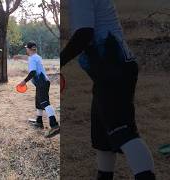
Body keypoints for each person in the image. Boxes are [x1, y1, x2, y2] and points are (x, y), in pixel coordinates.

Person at [60, 0, 156, 179]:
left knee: (123, 132)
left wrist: (59, 61)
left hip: (113, 68)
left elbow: (84, 34)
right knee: (103, 138)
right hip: (108, 70)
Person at [18, 41, 60, 138]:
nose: (26, 50)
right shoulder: (37, 57)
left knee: (45, 103)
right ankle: (39, 122)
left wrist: (24, 81)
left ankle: (54, 125)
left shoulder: (33, 59)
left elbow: (33, 72)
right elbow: (27, 58)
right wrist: (19, 57)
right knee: (38, 102)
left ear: (29, 49)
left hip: (42, 83)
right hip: (42, 82)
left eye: (26, 48)